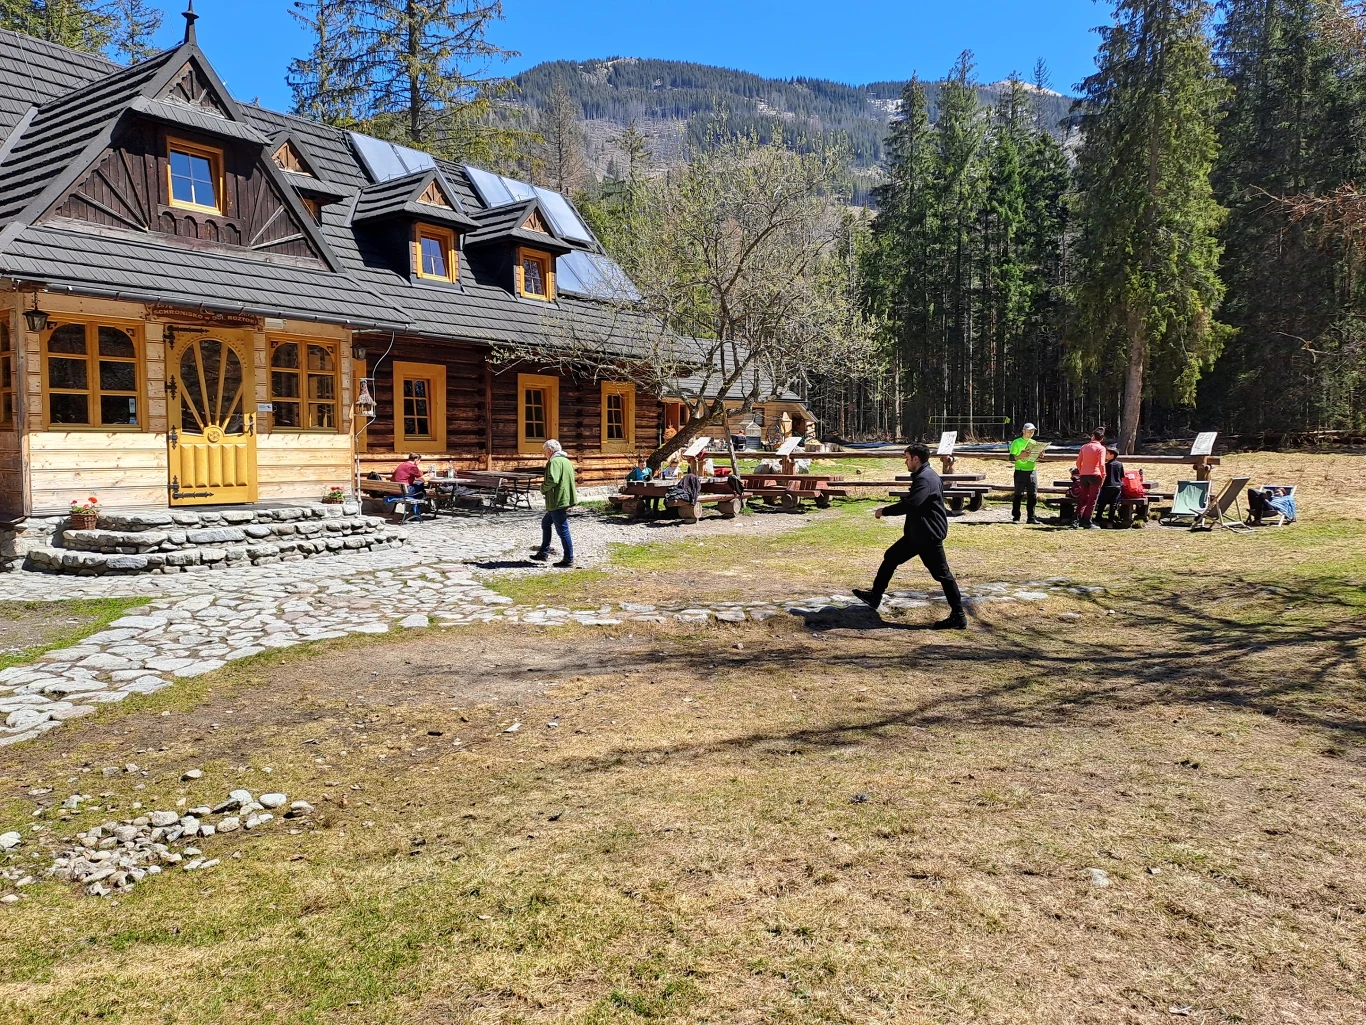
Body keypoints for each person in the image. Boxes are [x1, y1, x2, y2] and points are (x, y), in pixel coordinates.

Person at [853, 443, 966, 630]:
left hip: (927, 535)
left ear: (916, 459)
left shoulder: (925, 479)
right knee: (891, 557)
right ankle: (875, 596)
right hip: (918, 534)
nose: (905, 462)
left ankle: (958, 616)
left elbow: (912, 503)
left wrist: (884, 511)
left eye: (907, 458)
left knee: (943, 575)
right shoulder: (927, 475)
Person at [532, 440, 577, 568]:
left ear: (550, 450)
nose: (544, 454)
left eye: (545, 452)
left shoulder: (554, 461)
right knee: (546, 523)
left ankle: (568, 558)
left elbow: (553, 480)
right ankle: (543, 553)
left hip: (557, 500)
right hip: (564, 499)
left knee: (563, 530)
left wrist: (542, 488)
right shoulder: (566, 461)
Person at [1007, 423, 1041, 524]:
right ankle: (1016, 517)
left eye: (1033, 431)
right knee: (1018, 495)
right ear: (1023, 431)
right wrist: (1020, 456)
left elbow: (1035, 457)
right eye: (1029, 430)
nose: (1031, 433)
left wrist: (1040, 455)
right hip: (1020, 471)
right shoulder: (1016, 442)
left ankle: (1031, 518)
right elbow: (1011, 458)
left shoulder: (1034, 442)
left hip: (1032, 471)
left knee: (1032, 495)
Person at [1073, 429, 1107, 529]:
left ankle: (1075, 520)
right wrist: (1103, 474)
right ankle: (1087, 521)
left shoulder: (1084, 447)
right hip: (1095, 475)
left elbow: (1078, 462)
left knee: (1083, 499)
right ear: (1102, 438)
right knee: (1092, 500)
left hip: (1084, 475)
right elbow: (1101, 464)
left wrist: (1081, 471)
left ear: (1093, 436)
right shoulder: (1101, 448)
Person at [1096, 447, 1124, 527]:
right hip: (1117, 486)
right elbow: (1122, 475)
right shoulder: (1120, 464)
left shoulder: (1107, 465)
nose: (1105, 455)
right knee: (1113, 504)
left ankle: (1098, 518)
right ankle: (1110, 520)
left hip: (1108, 486)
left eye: (1107, 453)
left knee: (1102, 503)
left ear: (1112, 455)